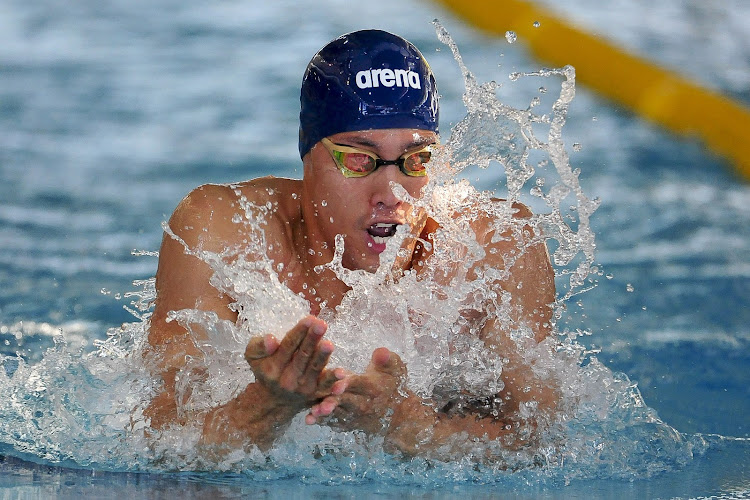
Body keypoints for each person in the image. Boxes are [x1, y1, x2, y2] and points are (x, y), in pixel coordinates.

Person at [144, 29, 557, 459]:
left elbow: (541, 447)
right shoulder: (225, 233)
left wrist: (410, 426)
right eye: (360, 159)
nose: (392, 193)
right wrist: (264, 405)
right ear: (308, 152)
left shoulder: (494, 249)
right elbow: (155, 439)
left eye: (416, 160)